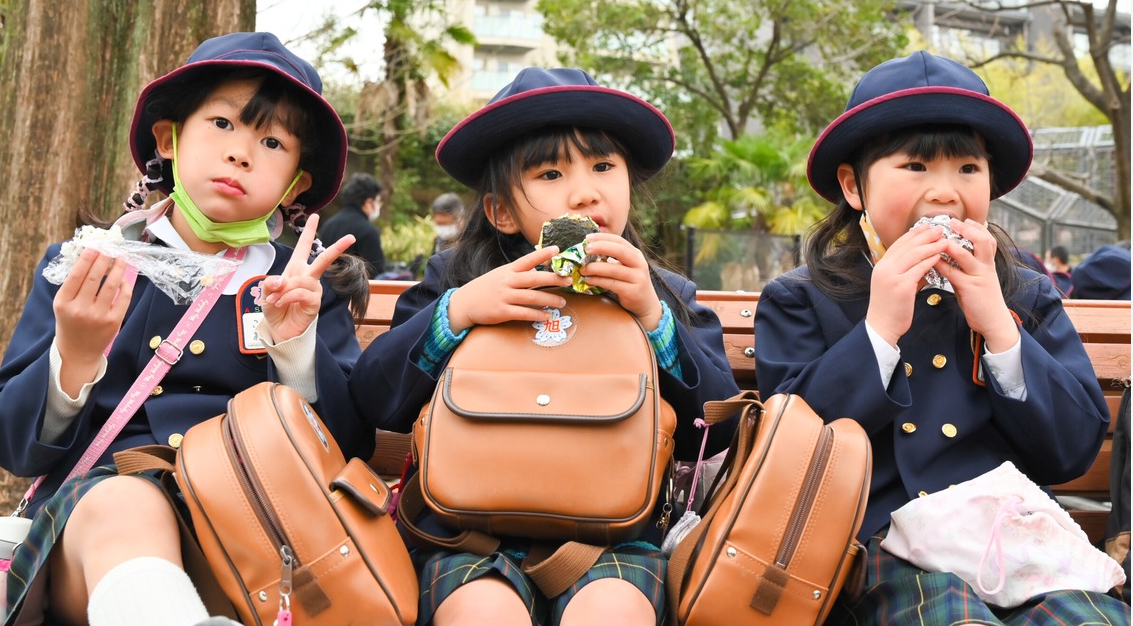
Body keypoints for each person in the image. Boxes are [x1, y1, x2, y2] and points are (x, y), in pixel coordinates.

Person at [0, 32, 376, 626]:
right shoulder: (87, 264)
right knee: (126, 504)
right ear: (168, 139)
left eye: (272, 142)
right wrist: (73, 353)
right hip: (95, 534)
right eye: (222, 124)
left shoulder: (303, 286)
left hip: (260, 543)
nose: (242, 153)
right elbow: (11, 445)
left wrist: (297, 347)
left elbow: (350, 447)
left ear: (296, 183)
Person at [349, 67, 738, 626]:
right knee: (483, 614)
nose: (585, 191)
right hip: (469, 536)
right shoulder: (456, 281)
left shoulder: (664, 294)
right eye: (552, 173)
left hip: (616, 538)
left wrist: (653, 317)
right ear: (501, 211)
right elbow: (374, 397)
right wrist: (457, 310)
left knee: (613, 614)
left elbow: (716, 429)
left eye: (604, 167)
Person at [753, 51, 1126, 624]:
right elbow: (795, 456)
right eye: (916, 167)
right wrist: (879, 326)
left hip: (1017, 543)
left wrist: (999, 325)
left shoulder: (1024, 293)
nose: (946, 192)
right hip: (884, 547)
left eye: (967, 170)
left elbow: (1072, 451)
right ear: (853, 187)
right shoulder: (803, 297)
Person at [319, 172, 387, 278]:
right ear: (369, 203)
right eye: (378, 201)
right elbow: (376, 272)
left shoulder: (328, 225)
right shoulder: (368, 231)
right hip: (353, 292)